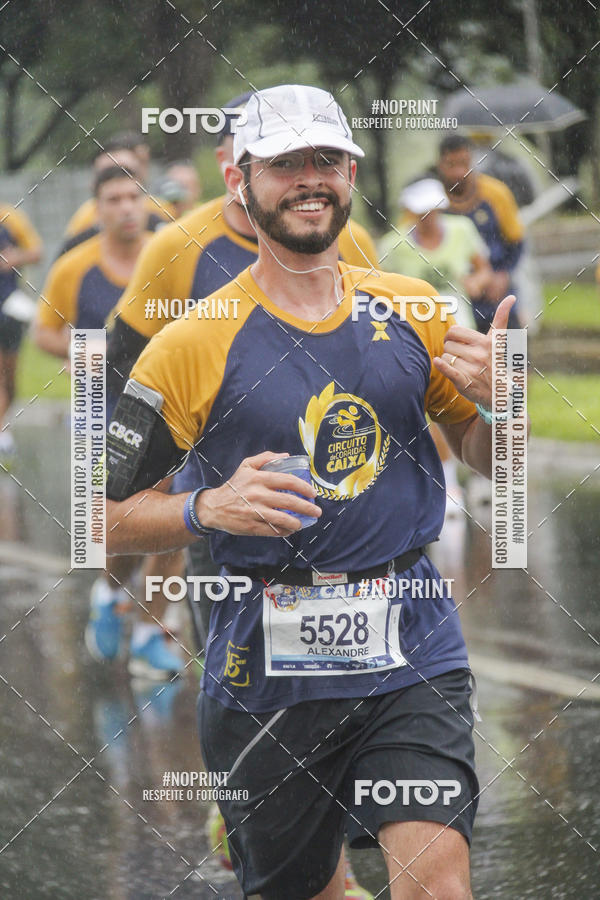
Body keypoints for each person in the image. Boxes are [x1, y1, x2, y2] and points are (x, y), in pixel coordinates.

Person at [104, 83, 523, 899]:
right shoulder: (191, 343)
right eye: (285, 162)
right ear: (241, 182)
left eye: (325, 159)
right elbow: (94, 516)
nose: (309, 178)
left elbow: (490, 458)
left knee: (439, 883)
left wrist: (507, 411)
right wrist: (204, 508)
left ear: (352, 172)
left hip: (413, 641)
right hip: (265, 658)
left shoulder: (412, 310)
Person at [33, 165, 185, 680]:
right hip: (102, 407)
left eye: (132, 197)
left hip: (169, 403)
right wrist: (90, 351)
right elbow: (44, 334)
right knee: (120, 527)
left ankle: (149, 634)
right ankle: (109, 591)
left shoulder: (169, 254)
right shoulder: (76, 267)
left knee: (178, 518)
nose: (125, 207)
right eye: (113, 198)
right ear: (96, 209)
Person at [379, 178, 494, 517]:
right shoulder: (393, 243)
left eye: (433, 209)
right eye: (421, 211)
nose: (429, 217)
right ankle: (449, 484)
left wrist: (476, 282)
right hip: (417, 337)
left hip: (463, 330)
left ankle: (481, 477)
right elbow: (374, 288)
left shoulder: (461, 230)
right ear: (410, 212)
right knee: (436, 409)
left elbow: (483, 267)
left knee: (474, 400)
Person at [436, 134, 524, 331]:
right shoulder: (430, 200)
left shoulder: (496, 193)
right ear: (440, 165)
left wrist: (503, 275)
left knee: (515, 357)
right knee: (466, 359)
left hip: (498, 293)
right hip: (454, 300)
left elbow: (516, 241)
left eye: (464, 163)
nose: (459, 172)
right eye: (451, 165)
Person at [60, 135, 175, 256]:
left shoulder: (162, 216)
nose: (118, 177)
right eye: (108, 172)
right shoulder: (83, 223)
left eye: (127, 170)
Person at [0, 203, 43, 464]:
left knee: (10, 379)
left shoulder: (10, 217)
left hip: (9, 309)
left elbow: (36, 252)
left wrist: (14, 258)